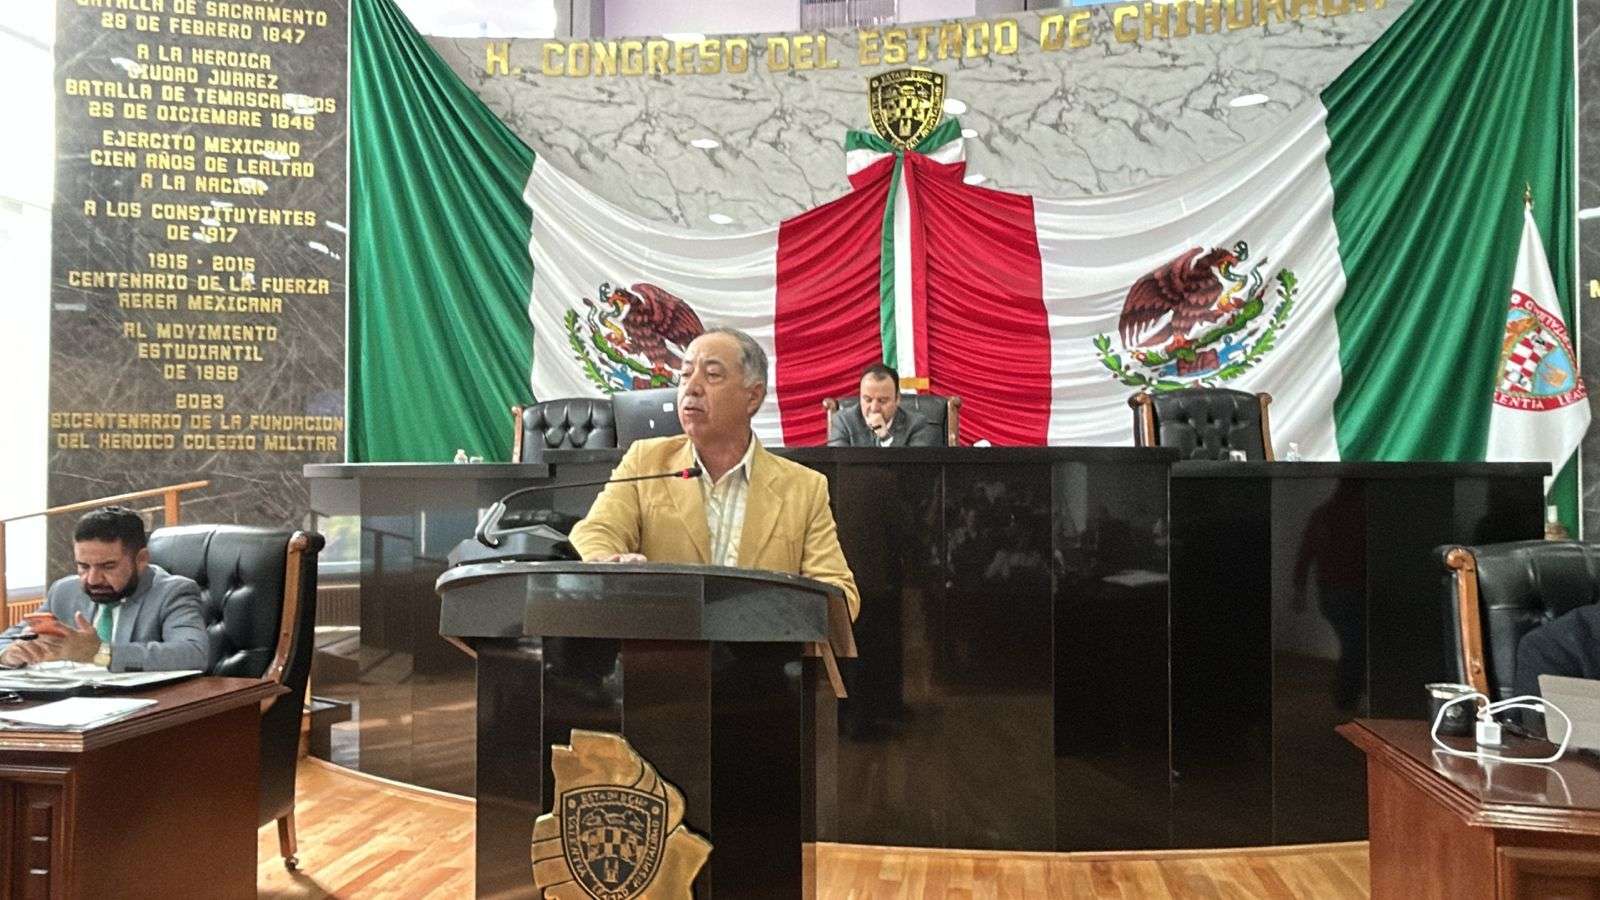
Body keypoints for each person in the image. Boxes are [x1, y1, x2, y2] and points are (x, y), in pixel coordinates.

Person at [570, 327, 860, 619]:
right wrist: (609, 563)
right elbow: (597, 531)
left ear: (753, 396)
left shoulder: (802, 487)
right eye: (685, 374)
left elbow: (840, 592)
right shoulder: (647, 461)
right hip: (661, 638)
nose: (692, 388)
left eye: (712, 375)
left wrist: (780, 612)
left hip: (760, 643)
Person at [0, 506, 208, 672]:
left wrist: (100, 653)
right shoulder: (64, 591)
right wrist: (9, 654)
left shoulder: (173, 592)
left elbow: (194, 653)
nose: (92, 579)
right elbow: (9, 639)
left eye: (108, 566)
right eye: (83, 566)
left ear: (141, 559)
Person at [827, 364, 941, 448]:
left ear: (897, 399)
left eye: (882, 401)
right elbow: (837, 467)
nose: (874, 408)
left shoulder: (916, 425)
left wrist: (885, 438)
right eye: (868, 400)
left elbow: (915, 469)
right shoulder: (843, 421)